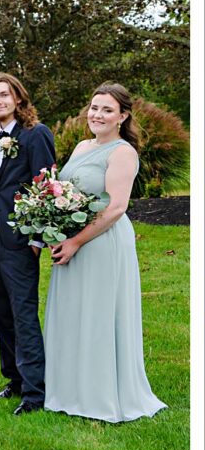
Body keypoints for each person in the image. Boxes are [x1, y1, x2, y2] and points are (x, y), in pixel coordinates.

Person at [43, 83, 166, 422]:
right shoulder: (83, 146)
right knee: (73, 313)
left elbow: (115, 208)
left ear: (123, 116)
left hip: (101, 243)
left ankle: (99, 395)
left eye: (107, 110)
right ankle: (69, 389)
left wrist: (76, 241)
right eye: (94, 107)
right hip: (72, 240)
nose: (97, 115)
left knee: (98, 315)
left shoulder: (122, 152)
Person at [0, 71, 56, 415]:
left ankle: (35, 393)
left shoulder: (36, 135)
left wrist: (37, 238)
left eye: (4, 95)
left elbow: (47, 186)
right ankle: (15, 379)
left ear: (18, 98)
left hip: (20, 240)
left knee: (23, 315)